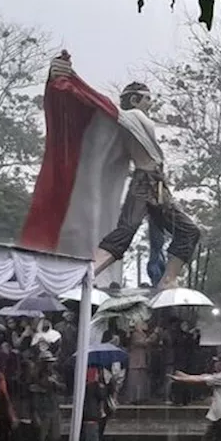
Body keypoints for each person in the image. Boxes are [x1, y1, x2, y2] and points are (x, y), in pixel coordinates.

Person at [90, 76, 202, 289]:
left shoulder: (137, 120)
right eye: (147, 98)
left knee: (189, 230)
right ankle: (88, 271)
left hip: (158, 185)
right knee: (127, 230)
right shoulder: (131, 116)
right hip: (144, 182)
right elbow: (104, 107)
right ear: (134, 100)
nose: (151, 102)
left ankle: (168, 279)